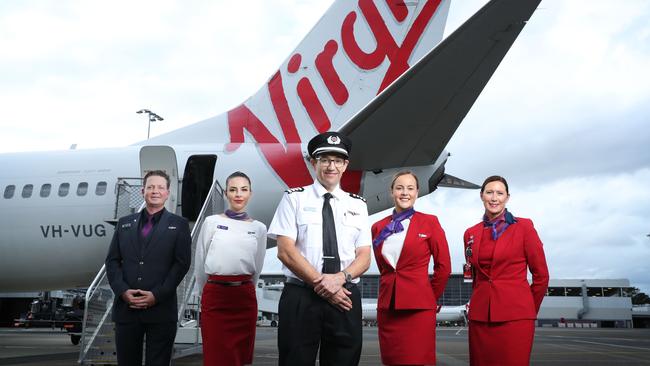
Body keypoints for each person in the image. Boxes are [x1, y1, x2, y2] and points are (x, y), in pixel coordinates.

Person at [268, 131, 371, 366]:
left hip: (345, 296)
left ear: (345, 165)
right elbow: (285, 250)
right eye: (324, 159)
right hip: (301, 296)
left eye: (337, 160)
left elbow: (364, 257)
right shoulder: (293, 199)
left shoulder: (358, 204)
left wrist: (339, 280)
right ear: (314, 163)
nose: (330, 166)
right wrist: (323, 284)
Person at [105, 170, 192, 366]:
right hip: (127, 309)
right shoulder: (124, 224)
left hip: (161, 310)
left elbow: (181, 265)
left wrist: (157, 295)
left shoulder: (179, 225)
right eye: (151, 187)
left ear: (168, 193)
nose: (155, 191)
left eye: (160, 187)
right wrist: (122, 291)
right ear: (143, 191)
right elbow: (112, 261)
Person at [464, 175, 549, 366]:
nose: (494, 198)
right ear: (481, 196)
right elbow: (475, 277)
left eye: (500, 193)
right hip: (480, 317)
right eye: (489, 192)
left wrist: (527, 309)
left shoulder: (524, 227)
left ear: (507, 198)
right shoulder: (471, 233)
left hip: (516, 317)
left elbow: (541, 276)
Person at [371, 171, 451, 366]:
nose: (404, 193)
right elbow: (384, 268)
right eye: (399, 188)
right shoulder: (378, 227)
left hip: (419, 308)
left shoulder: (430, 222)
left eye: (410, 188)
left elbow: (444, 267)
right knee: (391, 360)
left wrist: (428, 297)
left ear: (417, 192)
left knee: (418, 360)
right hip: (388, 308)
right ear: (392, 192)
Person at [193, 171, 267, 366]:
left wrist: (246, 287)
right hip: (215, 296)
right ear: (226, 194)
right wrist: (205, 292)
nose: (238, 194)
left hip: (244, 297)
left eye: (243, 190)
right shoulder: (211, 223)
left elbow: (257, 267)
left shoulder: (259, 228)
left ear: (250, 194)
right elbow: (200, 262)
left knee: (239, 356)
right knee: (216, 355)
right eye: (233, 190)